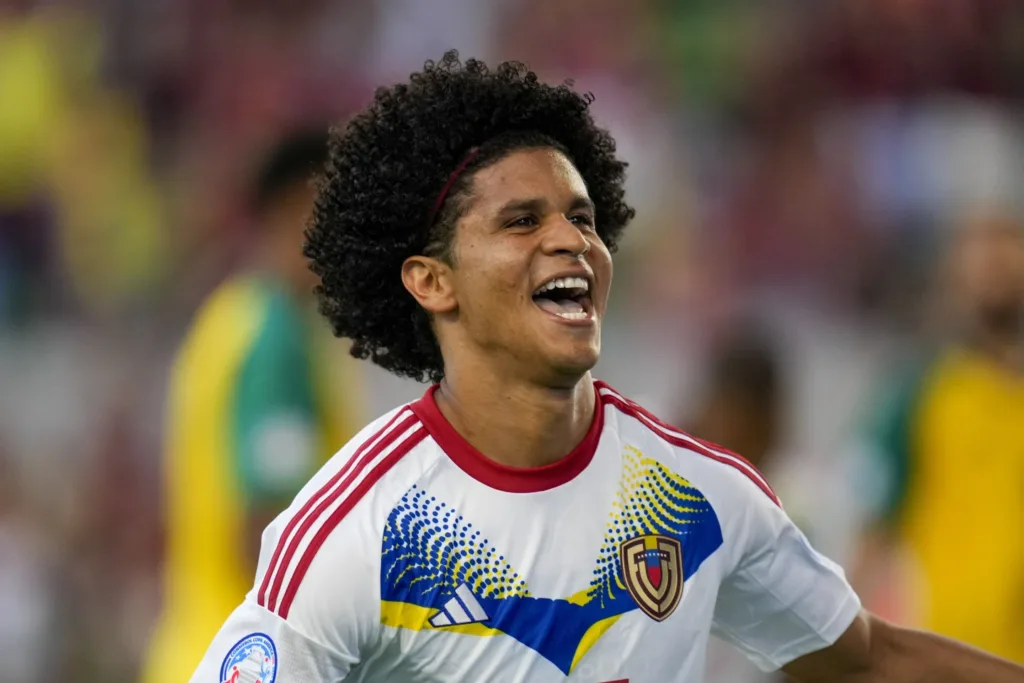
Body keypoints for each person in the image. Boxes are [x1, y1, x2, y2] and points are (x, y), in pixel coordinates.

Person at [191, 52, 1024, 682]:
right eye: (522, 219)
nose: (571, 240)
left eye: (583, 216)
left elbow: (866, 656)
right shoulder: (358, 529)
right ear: (431, 280)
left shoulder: (697, 494)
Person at [142, 130, 362, 683]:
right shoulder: (275, 340)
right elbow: (266, 529)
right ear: (296, 209)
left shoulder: (227, 321)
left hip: (198, 647)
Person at [851, 212, 1024, 663]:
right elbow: (872, 528)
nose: (996, 262)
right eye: (981, 247)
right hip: (943, 658)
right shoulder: (917, 391)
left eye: (1009, 243)